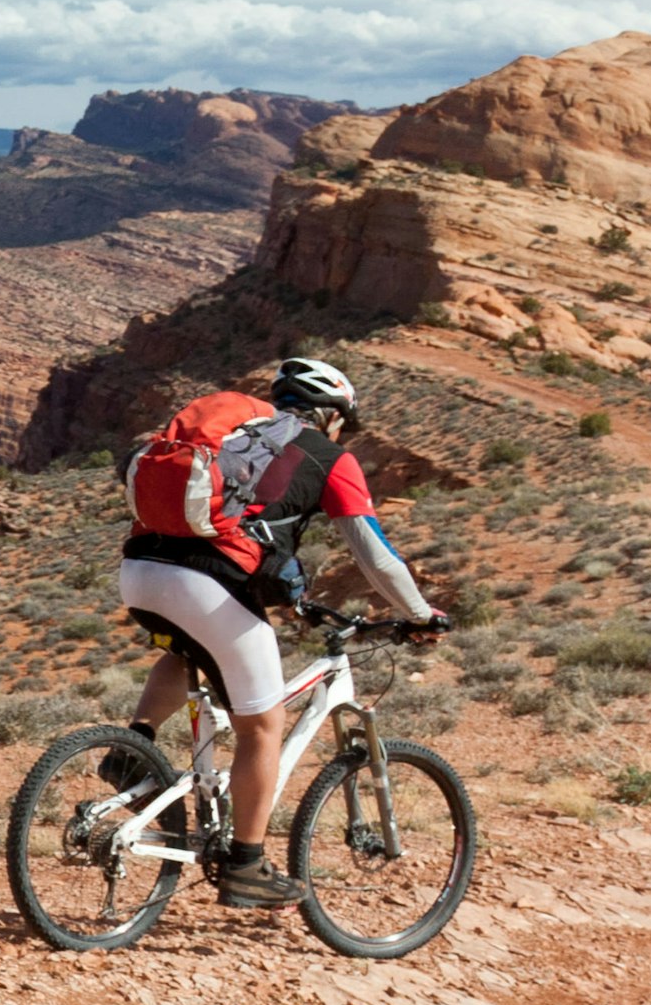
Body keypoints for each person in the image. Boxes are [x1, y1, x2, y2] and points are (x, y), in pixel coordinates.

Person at [118, 354, 446, 910]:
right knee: (263, 726)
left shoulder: (237, 437)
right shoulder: (330, 457)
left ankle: (134, 747)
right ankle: (246, 864)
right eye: (344, 422)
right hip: (209, 583)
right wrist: (419, 613)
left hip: (141, 569)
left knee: (187, 651)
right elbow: (377, 558)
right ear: (332, 415)